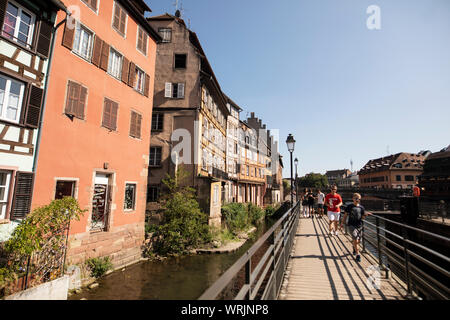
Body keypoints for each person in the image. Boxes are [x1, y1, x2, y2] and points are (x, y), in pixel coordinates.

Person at [340, 193, 369, 262]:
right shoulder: (349, 207)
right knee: (355, 238)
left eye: (358, 199)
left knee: (358, 241)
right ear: (353, 199)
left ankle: (354, 247)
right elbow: (345, 216)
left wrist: (365, 215)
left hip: (359, 225)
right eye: (356, 198)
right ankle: (358, 255)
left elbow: (362, 217)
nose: (357, 200)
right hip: (351, 225)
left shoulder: (361, 208)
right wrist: (342, 223)